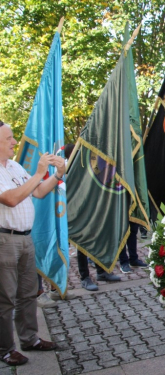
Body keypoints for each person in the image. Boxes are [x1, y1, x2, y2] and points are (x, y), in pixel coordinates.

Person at [0, 120, 60, 366]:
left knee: (27, 293)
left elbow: (38, 192)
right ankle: (5, 348)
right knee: (5, 298)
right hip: (5, 240)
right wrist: (37, 173)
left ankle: (29, 338)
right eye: (9, 138)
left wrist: (57, 174)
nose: (14, 142)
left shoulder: (13, 166)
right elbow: (12, 199)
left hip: (25, 238)